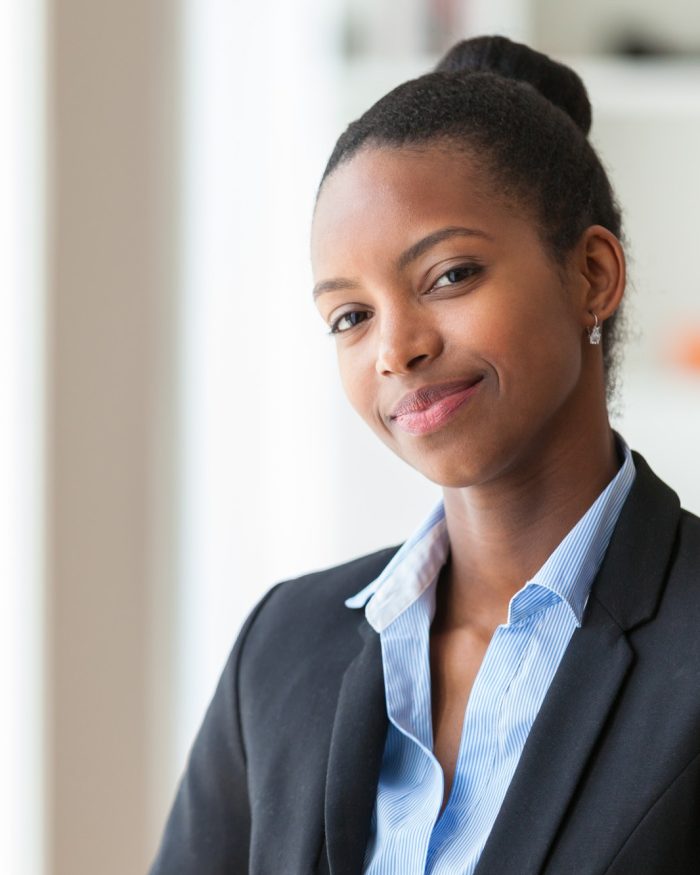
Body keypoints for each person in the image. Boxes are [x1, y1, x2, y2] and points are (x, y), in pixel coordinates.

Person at [150, 36, 700, 875]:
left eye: (448, 275)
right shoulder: (281, 649)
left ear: (592, 273)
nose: (394, 349)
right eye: (349, 316)